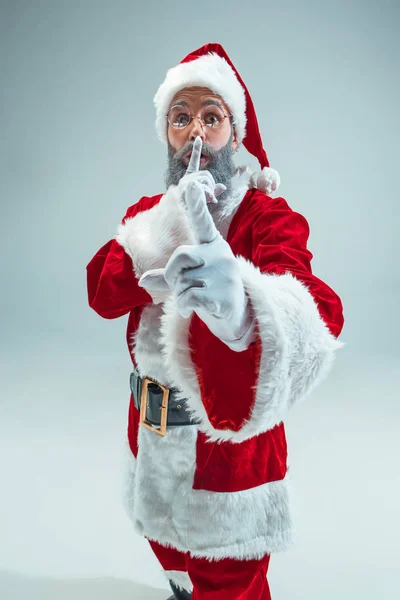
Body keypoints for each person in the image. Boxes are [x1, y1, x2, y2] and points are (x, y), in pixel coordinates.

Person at [86, 42, 345, 600]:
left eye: (212, 116)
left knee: (227, 578)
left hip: (227, 452)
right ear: (167, 133)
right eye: (182, 117)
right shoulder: (145, 214)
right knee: (173, 560)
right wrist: (167, 226)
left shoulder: (267, 216)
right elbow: (102, 293)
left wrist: (245, 312)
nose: (197, 131)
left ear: (235, 130)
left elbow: (317, 308)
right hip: (152, 435)